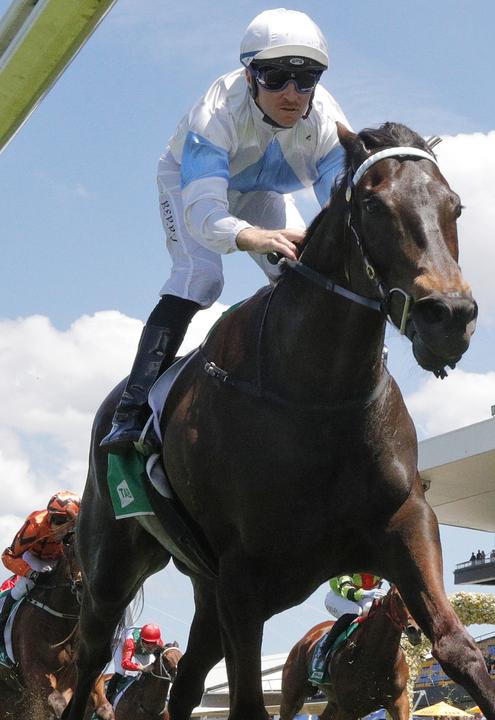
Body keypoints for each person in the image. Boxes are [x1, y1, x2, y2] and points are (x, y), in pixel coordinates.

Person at [100, 8, 350, 454]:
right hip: (190, 186)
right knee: (202, 278)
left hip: (259, 191)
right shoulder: (217, 112)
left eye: (306, 78)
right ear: (250, 75)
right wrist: (250, 236)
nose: (292, 94)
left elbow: (343, 210)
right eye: (275, 78)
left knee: (304, 270)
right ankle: (130, 411)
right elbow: (205, 214)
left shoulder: (326, 118)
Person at [0, 490, 81, 657]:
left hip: (58, 560)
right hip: (33, 557)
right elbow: (7, 556)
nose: (54, 525)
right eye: (54, 519)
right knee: (24, 586)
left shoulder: (77, 531)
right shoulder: (34, 525)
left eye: (61, 521)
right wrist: (29, 573)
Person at [309, 573, 386, 683]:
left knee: (371, 609)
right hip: (339, 596)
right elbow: (346, 590)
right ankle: (323, 649)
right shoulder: (350, 562)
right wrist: (367, 592)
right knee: (355, 611)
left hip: (363, 595)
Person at [105, 624, 165, 701]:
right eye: (147, 643)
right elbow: (125, 663)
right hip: (123, 647)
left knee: (151, 672)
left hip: (142, 652)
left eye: (153, 643)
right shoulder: (130, 642)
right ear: (141, 639)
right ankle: (108, 699)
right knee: (120, 672)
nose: (150, 647)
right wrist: (141, 668)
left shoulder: (159, 643)